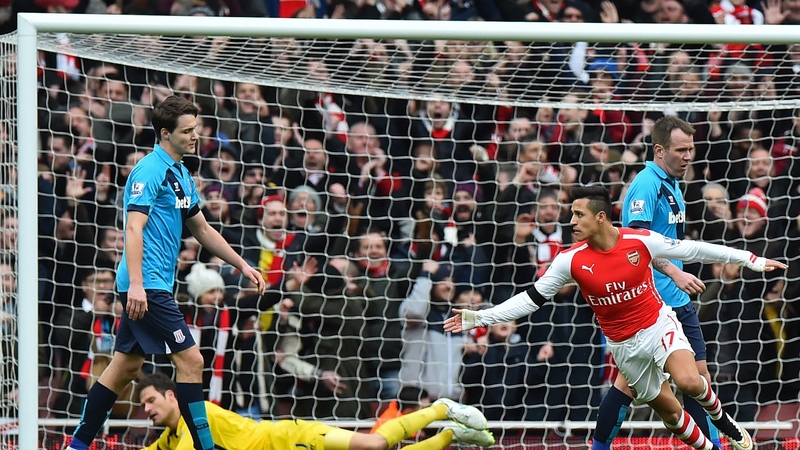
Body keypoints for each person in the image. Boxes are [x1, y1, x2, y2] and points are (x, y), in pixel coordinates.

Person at [444, 185, 787, 450]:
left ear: (600, 217)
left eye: (578, 214)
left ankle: (723, 420)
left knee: (690, 381)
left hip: (658, 325)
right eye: (571, 214)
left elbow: (694, 249)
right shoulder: (569, 260)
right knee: (671, 416)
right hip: (625, 347)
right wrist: (479, 318)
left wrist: (752, 260)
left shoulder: (640, 241)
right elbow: (530, 299)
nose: (571, 221)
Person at [66, 95, 267, 450]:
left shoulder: (182, 174)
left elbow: (202, 229)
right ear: (165, 133)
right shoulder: (149, 170)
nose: (195, 136)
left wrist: (242, 264)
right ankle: (205, 447)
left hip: (154, 284)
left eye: (195, 129)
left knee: (125, 367)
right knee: (191, 360)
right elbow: (134, 228)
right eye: (187, 131)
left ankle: (77, 445)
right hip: (146, 285)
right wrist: (137, 286)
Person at [606, 115, 718, 449]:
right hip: (652, 303)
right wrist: (675, 272)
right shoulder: (645, 184)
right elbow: (636, 244)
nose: (688, 156)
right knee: (628, 385)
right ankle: (599, 445)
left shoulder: (673, 182)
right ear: (659, 150)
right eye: (681, 150)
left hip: (677, 299)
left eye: (691, 149)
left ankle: (714, 446)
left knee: (700, 379)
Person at [138, 371, 494, 450]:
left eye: (151, 400)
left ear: (172, 396)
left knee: (375, 445)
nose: (147, 409)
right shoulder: (171, 436)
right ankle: (451, 434)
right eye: (142, 405)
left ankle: (440, 409)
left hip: (290, 439)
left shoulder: (195, 417)